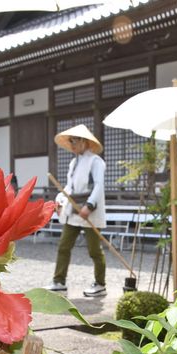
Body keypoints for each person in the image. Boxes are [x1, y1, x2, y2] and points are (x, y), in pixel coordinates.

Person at [46, 124, 107, 297]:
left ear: (84, 141)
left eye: (74, 141)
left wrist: (89, 205)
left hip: (89, 211)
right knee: (64, 246)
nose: (72, 145)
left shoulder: (96, 161)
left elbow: (99, 186)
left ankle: (100, 284)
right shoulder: (74, 163)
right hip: (73, 210)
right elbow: (69, 188)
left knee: (94, 250)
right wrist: (60, 200)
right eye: (70, 142)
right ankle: (59, 281)